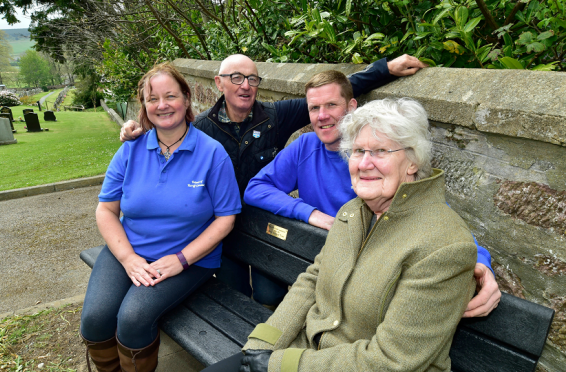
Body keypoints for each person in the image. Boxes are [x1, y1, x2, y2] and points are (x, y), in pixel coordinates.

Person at [119, 54, 428, 306]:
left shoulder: (275, 117)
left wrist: (383, 68)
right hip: (218, 228)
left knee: (267, 293)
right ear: (219, 83)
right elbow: (166, 134)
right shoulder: (201, 131)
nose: (245, 85)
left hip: (261, 224)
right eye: (236, 78)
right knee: (235, 295)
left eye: (252, 79)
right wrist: (137, 130)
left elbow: (337, 91)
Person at [202, 98, 477, 372]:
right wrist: (263, 343)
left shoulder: (443, 244)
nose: (365, 163)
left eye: (380, 150)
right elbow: (312, 280)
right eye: (358, 151)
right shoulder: (353, 211)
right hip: (307, 350)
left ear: (413, 161)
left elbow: (393, 359)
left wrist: (279, 364)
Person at [244, 70, 501, 317]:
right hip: (317, 264)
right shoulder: (305, 147)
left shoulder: (386, 165)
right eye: (314, 108)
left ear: (351, 106)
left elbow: (434, 214)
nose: (322, 116)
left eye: (332, 105)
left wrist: (480, 263)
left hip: (362, 281)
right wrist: (311, 213)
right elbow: (256, 188)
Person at [79, 63, 241, 372]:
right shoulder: (130, 150)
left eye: (170, 96)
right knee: (95, 319)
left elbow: (225, 220)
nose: (162, 105)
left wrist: (180, 259)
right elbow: (106, 209)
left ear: (186, 98)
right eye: (152, 99)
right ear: (144, 106)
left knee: (133, 318)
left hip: (188, 260)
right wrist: (127, 258)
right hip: (129, 251)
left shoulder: (211, 153)